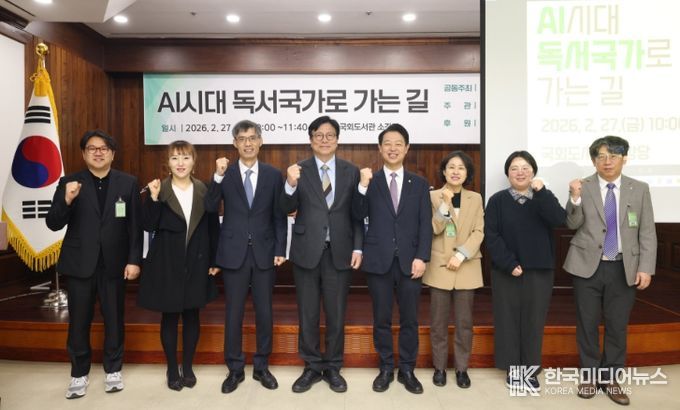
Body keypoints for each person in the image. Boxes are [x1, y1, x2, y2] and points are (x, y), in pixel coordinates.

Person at [46, 130, 142, 399]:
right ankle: (79, 373)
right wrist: (67, 200)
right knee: (79, 320)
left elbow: (135, 227)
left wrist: (134, 260)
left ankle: (113, 369)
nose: (98, 152)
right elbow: (53, 222)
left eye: (103, 148)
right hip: (80, 263)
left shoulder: (128, 183)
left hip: (115, 263)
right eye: (92, 148)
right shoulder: (69, 182)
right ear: (83, 153)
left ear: (112, 153)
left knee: (114, 319)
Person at [564, 136, 656, 406]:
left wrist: (646, 268)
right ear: (594, 160)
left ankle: (611, 378)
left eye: (613, 156)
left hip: (624, 267)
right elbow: (572, 223)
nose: (607, 161)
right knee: (587, 324)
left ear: (624, 159)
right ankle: (590, 376)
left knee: (617, 325)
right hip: (587, 266)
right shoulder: (583, 186)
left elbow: (647, 231)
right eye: (601, 156)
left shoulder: (639, 188)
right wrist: (574, 198)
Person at [281, 115, 363, 393]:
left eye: (330, 135)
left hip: (340, 251)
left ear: (337, 140)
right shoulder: (298, 170)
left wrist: (358, 247)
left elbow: (357, 214)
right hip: (306, 251)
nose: (324, 140)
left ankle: (333, 366)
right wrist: (289, 184)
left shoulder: (351, 171)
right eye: (319, 135)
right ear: (311, 140)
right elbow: (285, 208)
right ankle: (312, 366)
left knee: (336, 313)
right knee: (308, 312)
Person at [204, 120, 287, 393]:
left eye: (252, 138)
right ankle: (235, 369)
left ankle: (262, 366)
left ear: (261, 142)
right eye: (242, 139)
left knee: (264, 312)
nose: (248, 143)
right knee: (234, 313)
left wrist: (280, 249)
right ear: (235, 143)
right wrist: (216, 177)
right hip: (233, 253)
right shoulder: (224, 174)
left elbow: (279, 216)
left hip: (264, 252)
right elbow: (209, 206)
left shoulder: (273, 175)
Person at [355, 123, 433, 394]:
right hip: (378, 261)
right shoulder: (370, 182)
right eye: (387, 143)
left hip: (411, 262)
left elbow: (425, 224)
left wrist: (422, 256)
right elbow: (357, 215)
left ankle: (407, 369)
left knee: (410, 319)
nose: (392, 148)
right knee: (381, 318)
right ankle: (386, 367)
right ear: (379, 148)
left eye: (398, 143)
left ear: (407, 148)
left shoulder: (419, 184)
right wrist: (362, 187)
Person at [137, 140, 219, 391]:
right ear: (168, 163)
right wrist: (153, 198)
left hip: (197, 262)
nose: (180, 163)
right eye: (175, 158)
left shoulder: (204, 189)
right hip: (167, 263)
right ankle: (172, 368)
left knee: (192, 315)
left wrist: (214, 260)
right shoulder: (159, 189)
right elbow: (148, 225)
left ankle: (188, 366)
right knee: (170, 316)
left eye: (185, 157)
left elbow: (213, 228)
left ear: (194, 162)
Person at [484, 150, 565, 392]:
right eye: (514, 168)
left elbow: (558, 219)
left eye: (525, 168)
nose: (520, 172)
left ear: (533, 172)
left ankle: (530, 370)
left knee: (534, 321)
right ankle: (513, 370)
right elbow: (491, 236)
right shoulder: (497, 200)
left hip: (539, 270)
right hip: (506, 270)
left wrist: (542, 192)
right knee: (507, 319)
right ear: (507, 174)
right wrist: (509, 263)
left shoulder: (543, 197)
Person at [423, 151, 484, 389]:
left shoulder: (475, 198)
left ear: (467, 173)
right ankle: (439, 368)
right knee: (438, 323)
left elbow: (478, 231)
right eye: (451, 167)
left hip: (466, 265)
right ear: (444, 171)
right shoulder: (432, 196)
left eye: (461, 168)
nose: (456, 172)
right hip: (440, 267)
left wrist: (461, 254)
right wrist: (444, 204)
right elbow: (434, 228)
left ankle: (461, 369)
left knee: (464, 323)